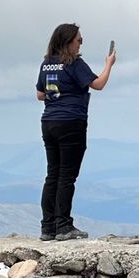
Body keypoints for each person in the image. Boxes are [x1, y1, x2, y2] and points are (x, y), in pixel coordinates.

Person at [35, 23, 116, 242]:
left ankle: (47, 227)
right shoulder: (74, 63)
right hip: (71, 122)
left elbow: (40, 94)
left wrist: (59, 92)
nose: (81, 44)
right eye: (79, 40)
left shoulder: (47, 64)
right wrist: (109, 64)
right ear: (68, 41)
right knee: (67, 176)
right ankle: (63, 227)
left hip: (49, 122)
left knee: (52, 174)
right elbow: (97, 84)